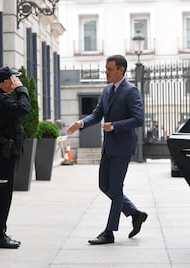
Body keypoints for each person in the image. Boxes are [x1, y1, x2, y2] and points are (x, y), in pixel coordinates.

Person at [67, 55, 148, 245]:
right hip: (109, 147)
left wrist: (115, 126)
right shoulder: (106, 90)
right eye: (106, 68)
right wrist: (81, 123)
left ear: (121, 70)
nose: (107, 72)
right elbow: (97, 114)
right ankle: (135, 214)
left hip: (122, 147)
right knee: (104, 186)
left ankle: (109, 232)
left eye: (110, 69)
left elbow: (139, 119)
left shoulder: (131, 91)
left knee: (116, 189)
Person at [0, 66, 31, 249]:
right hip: (2, 157)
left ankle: (0, 233)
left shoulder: (0, 98)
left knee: (4, 195)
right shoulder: (0, 100)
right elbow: (24, 109)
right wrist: (22, 89)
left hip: (5, 155)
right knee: (2, 196)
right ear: (5, 82)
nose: (16, 82)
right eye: (14, 79)